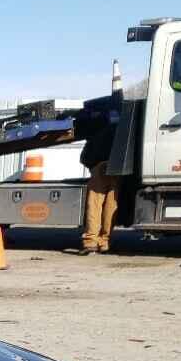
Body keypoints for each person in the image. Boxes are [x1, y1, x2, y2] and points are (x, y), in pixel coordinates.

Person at [74, 102, 120, 255]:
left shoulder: (97, 127)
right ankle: (104, 242)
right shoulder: (120, 125)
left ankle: (91, 241)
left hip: (99, 165)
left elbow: (86, 155)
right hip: (117, 167)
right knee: (111, 206)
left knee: (94, 205)